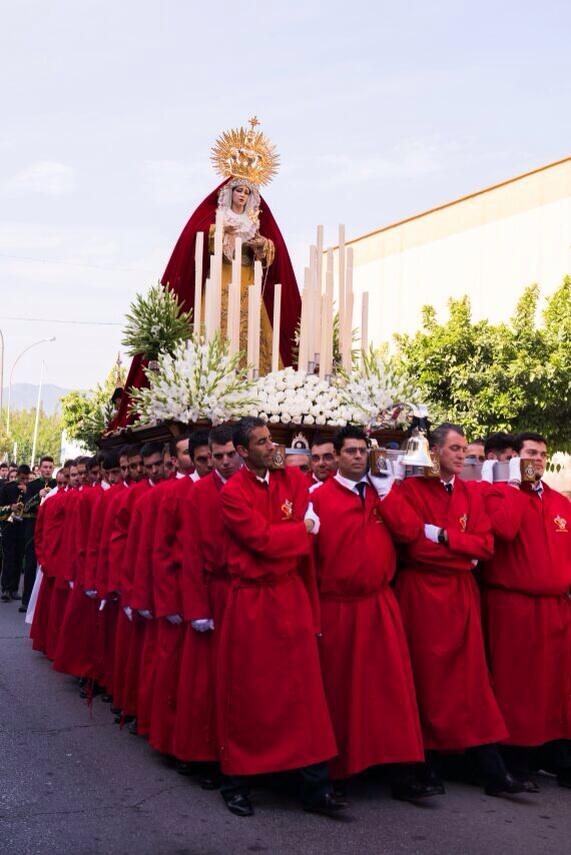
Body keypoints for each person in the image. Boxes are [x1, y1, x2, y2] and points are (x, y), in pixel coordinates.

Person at [111, 119, 301, 429]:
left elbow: (273, 253)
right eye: (238, 189)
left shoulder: (258, 221)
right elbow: (196, 241)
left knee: (253, 346)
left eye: (247, 192)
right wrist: (220, 233)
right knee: (211, 339)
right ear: (229, 191)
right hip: (216, 285)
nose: (242, 195)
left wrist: (261, 243)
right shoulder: (213, 216)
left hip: (248, 288)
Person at [217, 417, 344, 818]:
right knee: (250, 694)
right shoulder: (233, 493)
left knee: (304, 694)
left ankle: (314, 785)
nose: (272, 447)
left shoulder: (291, 480)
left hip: (289, 595)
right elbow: (262, 540)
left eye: (272, 440)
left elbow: (301, 523)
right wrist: (302, 530)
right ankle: (236, 781)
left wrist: (299, 530)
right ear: (241, 451)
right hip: (253, 603)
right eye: (261, 442)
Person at [395, 423, 524, 796]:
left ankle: (490, 770)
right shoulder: (412, 489)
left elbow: (485, 546)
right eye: (454, 448)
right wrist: (459, 550)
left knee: (472, 684)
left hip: (460, 596)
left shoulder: (469, 492)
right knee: (427, 681)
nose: (462, 455)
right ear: (434, 451)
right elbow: (413, 545)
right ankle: (424, 766)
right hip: (422, 596)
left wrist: (446, 536)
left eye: (464, 449)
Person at [307, 426, 430, 800]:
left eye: (363, 450)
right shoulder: (318, 497)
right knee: (340, 693)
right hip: (338, 608)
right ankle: (339, 772)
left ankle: (401, 773)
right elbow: (308, 563)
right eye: (351, 451)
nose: (358, 456)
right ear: (338, 456)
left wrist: (386, 491)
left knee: (391, 693)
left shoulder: (383, 493)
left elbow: (410, 533)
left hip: (379, 605)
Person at [480, 431, 571, 789]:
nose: (538, 460)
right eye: (531, 453)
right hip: (513, 604)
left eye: (543, 454)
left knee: (556, 687)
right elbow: (501, 532)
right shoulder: (499, 493)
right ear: (514, 457)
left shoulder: (560, 503)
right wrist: (515, 488)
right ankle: (514, 759)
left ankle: (556, 757)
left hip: (555, 606)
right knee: (516, 686)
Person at [172, 425, 241, 780]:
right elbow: (190, 553)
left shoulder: (252, 486)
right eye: (218, 457)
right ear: (209, 457)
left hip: (245, 594)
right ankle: (204, 755)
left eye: (232, 454)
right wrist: (197, 609)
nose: (226, 462)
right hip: (212, 595)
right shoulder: (198, 493)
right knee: (206, 682)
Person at [21, 456, 56, 612]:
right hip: (33, 526)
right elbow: (25, 506)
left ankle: (44, 602)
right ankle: (26, 599)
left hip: (50, 529)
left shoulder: (56, 484)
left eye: (50, 467)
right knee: (30, 563)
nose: (47, 470)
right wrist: (38, 495)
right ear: (40, 468)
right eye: (45, 467)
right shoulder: (33, 485)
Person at [1, 464, 32, 602]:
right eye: (22, 478)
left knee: (19, 558)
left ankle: (14, 589)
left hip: (23, 527)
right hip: (9, 526)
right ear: (18, 475)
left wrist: (28, 493)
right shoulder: (7, 488)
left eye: (27, 479)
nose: (24, 481)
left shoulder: (30, 489)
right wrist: (10, 507)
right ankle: (6, 588)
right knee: (9, 558)